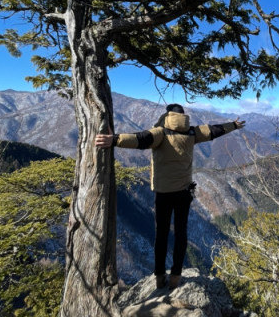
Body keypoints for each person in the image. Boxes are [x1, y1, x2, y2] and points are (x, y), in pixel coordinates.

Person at [95, 103, 246, 289]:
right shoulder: (192, 133)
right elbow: (214, 130)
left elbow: (140, 139)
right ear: (183, 116)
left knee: (162, 234)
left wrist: (114, 140)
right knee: (181, 234)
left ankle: (160, 277)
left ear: (167, 115)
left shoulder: (161, 133)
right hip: (184, 193)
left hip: (164, 194)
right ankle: (176, 276)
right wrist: (233, 125)